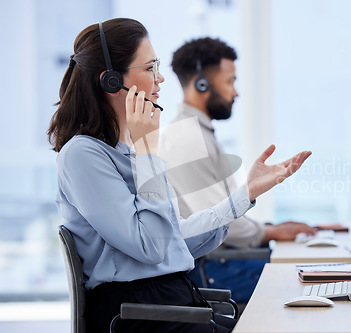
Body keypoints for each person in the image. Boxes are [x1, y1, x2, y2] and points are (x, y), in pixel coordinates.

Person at [47, 18, 311, 333]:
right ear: (112, 82)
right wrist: (148, 152)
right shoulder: (82, 155)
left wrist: (247, 194)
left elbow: (173, 236)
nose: (159, 79)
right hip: (136, 314)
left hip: (167, 300)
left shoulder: (125, 151)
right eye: (148, 69)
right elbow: (152, 247)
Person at [159, 37, 316, 303]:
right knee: (304, 280)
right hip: (212, 269)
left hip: (222, 261)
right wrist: (268, 232)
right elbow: (214, 222)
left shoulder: (198, 133)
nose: (236, 92)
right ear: (202, 83)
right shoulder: (187, 139)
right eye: (230, 81)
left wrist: (270, 227)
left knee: (311, 273)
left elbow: (224, 212)